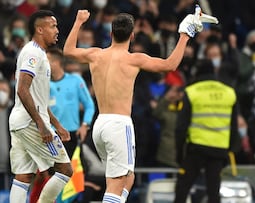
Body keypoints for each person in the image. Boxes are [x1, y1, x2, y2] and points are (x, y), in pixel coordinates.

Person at [63, 9, 203, 203]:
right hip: (119, 125)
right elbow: (170, 65)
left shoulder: (95, 55)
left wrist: (78, 22)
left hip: (100, 124)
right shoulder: (134, 59)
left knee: (128, 178)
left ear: (111, 34)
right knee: (115, 183)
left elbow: (68, 51)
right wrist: (184, 36)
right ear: (132, 35)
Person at [8, 10, 72, 203]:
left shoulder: (37, 52)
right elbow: (22, 90)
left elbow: (38, 99)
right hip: (30, 123)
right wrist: (41, 125)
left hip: (21, 121)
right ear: (40, 29)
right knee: (65, 169)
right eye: (53, 26)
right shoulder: (33, 53)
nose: (57, 30)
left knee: (24, 176)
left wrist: (56, 124)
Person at [29, 47, 95, 203]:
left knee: (72, 180)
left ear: (56, 62)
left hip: (71, 137)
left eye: (46, 61)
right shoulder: (41, 84)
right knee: (48, 178)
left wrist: (85, 124)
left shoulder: (75, 81)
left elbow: (89, 105)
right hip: (49, 138)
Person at [174, 59, 239, 203]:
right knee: (213, 192)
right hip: (219, 150)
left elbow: (181, 127)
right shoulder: (229, 93)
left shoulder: (192, 92)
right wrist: (230, 151)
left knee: (182, 189)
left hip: (196, 149)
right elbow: (234, 127)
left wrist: (180, 154)